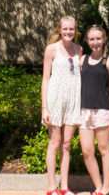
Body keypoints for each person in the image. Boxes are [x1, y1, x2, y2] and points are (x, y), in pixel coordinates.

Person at [41, 16, 83, 195]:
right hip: (55, 100)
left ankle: (64, 187)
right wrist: (45, 107)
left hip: (73, 101)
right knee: (55, 142)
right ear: (60, 30)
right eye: (65, 29)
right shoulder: (51, 49)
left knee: (66, 144)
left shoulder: (79, 49)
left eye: (71, 29)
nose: (68, 32)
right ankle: (51, 186)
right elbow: (45, 79)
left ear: (75, 30)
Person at [79, 26, 109, 195]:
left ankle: (107, 188)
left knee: (104, 148)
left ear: (104, 40)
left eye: (98, 39)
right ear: (87, 41)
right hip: (84, 112)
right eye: (92, 39)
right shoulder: (82, 60)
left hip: (103, 110)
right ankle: (98, 186)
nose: (95, 42)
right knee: (87, 151)